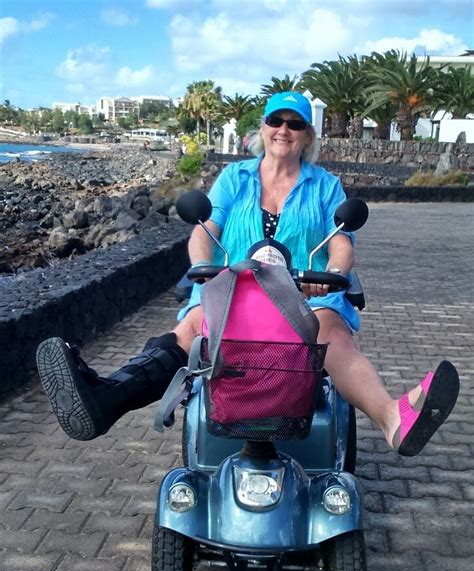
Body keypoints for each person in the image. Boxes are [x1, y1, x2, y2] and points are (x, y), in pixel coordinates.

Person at [36, 91, 459, 456]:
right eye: (276, 120)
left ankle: (390, 419)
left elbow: (341, 240)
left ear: (307, 135)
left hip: (304, 296)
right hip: (235, 290)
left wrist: (330, 273)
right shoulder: (234, 178)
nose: (284, 129)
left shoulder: (325, 185)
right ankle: (107, 400)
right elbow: (205, 229)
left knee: (331, 329)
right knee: (191, 328)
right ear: (263, 127)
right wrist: (204, 271)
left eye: (295, 123)